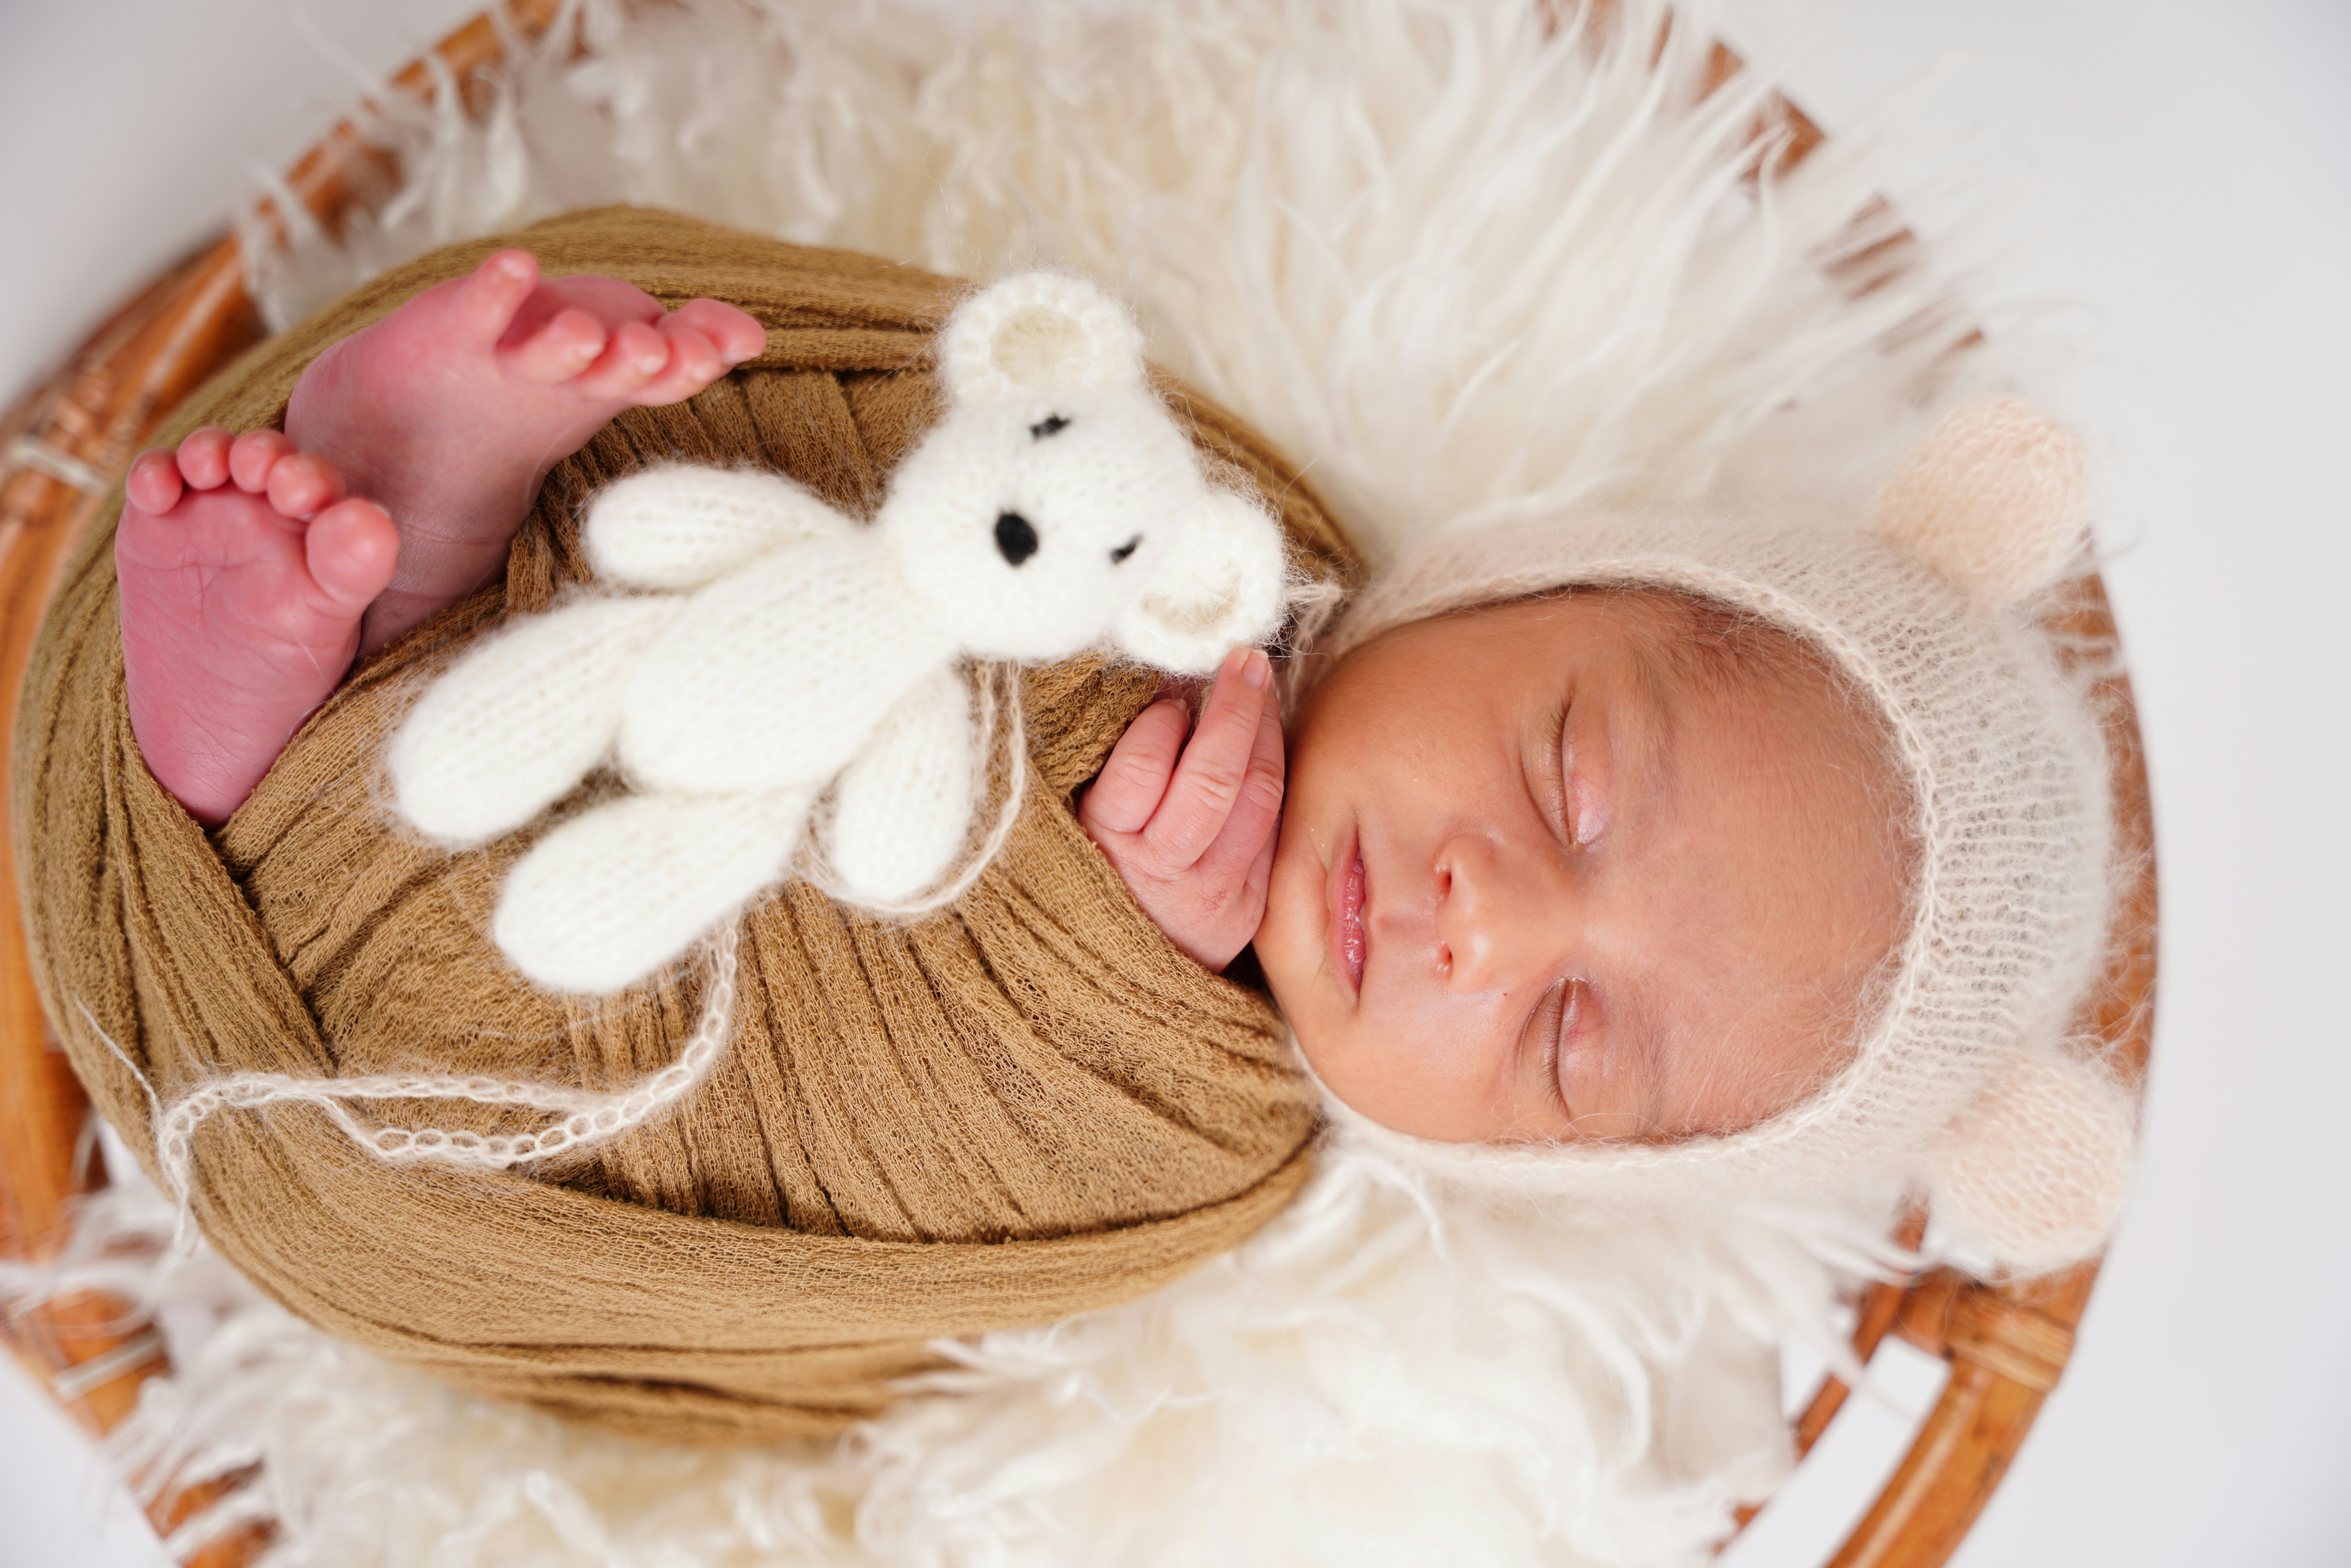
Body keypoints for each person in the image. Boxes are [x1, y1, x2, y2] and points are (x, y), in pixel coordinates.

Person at [115, 251, 2120, 1268]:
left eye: (1574, 1040)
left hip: (457, 1071)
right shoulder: (1224, 535)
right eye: (1573, 779)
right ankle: (439, 543)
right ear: (1529, 588)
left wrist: (1119, 953)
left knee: (471, 1034)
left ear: (1536, 1161)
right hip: (672, 612)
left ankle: (307, 700)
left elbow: (907, 1221)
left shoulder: (1207, 1156)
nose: (1487, 917)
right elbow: (959, 421)